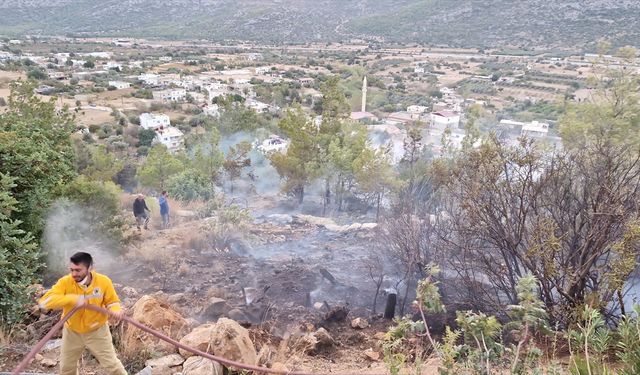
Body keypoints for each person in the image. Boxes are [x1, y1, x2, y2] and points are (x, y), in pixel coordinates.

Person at [39, 252, 126, 375]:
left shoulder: (103, 281)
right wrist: (74, 299)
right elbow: (45, 302)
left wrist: (116, 310)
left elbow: (112, 302)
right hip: (72, 331)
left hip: (97, 331)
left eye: (78, 270)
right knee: (66, 368)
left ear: (89, 268)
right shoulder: (65, 282)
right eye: (72, 270)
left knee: (113, 366)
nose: (74, 274)